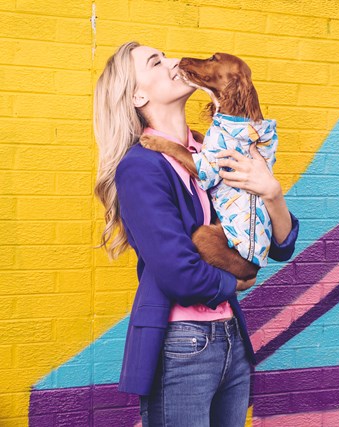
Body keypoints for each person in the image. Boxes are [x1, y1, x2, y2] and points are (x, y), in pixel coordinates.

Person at [93, 41, 299, 426]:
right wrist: (236, 283)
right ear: (136, 94)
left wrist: (272, 193)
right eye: (156, 62)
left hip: (232, 339)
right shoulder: (140, 167)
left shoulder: (214, 148)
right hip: (180, 344)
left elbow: (279, 246)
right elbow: (178, 272)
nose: (172, 61)